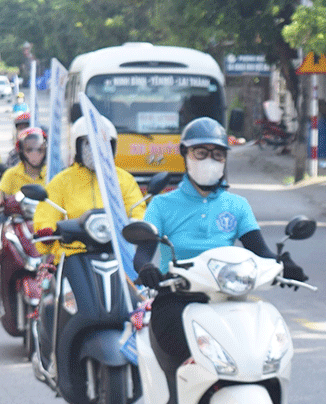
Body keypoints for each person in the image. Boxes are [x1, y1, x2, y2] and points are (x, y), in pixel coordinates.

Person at [133, 117, 308, 365]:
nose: (209, 161)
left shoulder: (236, 206)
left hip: (228, 297)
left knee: (259, 350)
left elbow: (261, 251)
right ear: (185, 154)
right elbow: (142, 253)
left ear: (225, 159)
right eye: (201, 153)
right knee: (180, 349)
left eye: (217, 155)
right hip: (175, 299)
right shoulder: (162, 205)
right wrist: (146, 268)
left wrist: (282, 263)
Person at [32, 115, 146, 263]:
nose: (95, 150)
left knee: (140, 285)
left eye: (102, 143)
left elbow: (136, 208)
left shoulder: (124, 179)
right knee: (59, 285)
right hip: (72, 255)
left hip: (118, 253)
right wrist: (46, 230)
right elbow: (47, 212)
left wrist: (139, 224)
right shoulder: (61, 181)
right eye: (88, 144)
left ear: (111, 146)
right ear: (77, 145)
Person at [0, 127, 47, 198]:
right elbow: (0, 197)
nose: (35, 154)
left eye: (39, 149)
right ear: (21, 151)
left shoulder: (51, 174)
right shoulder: (11, 174)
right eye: (29, 150)